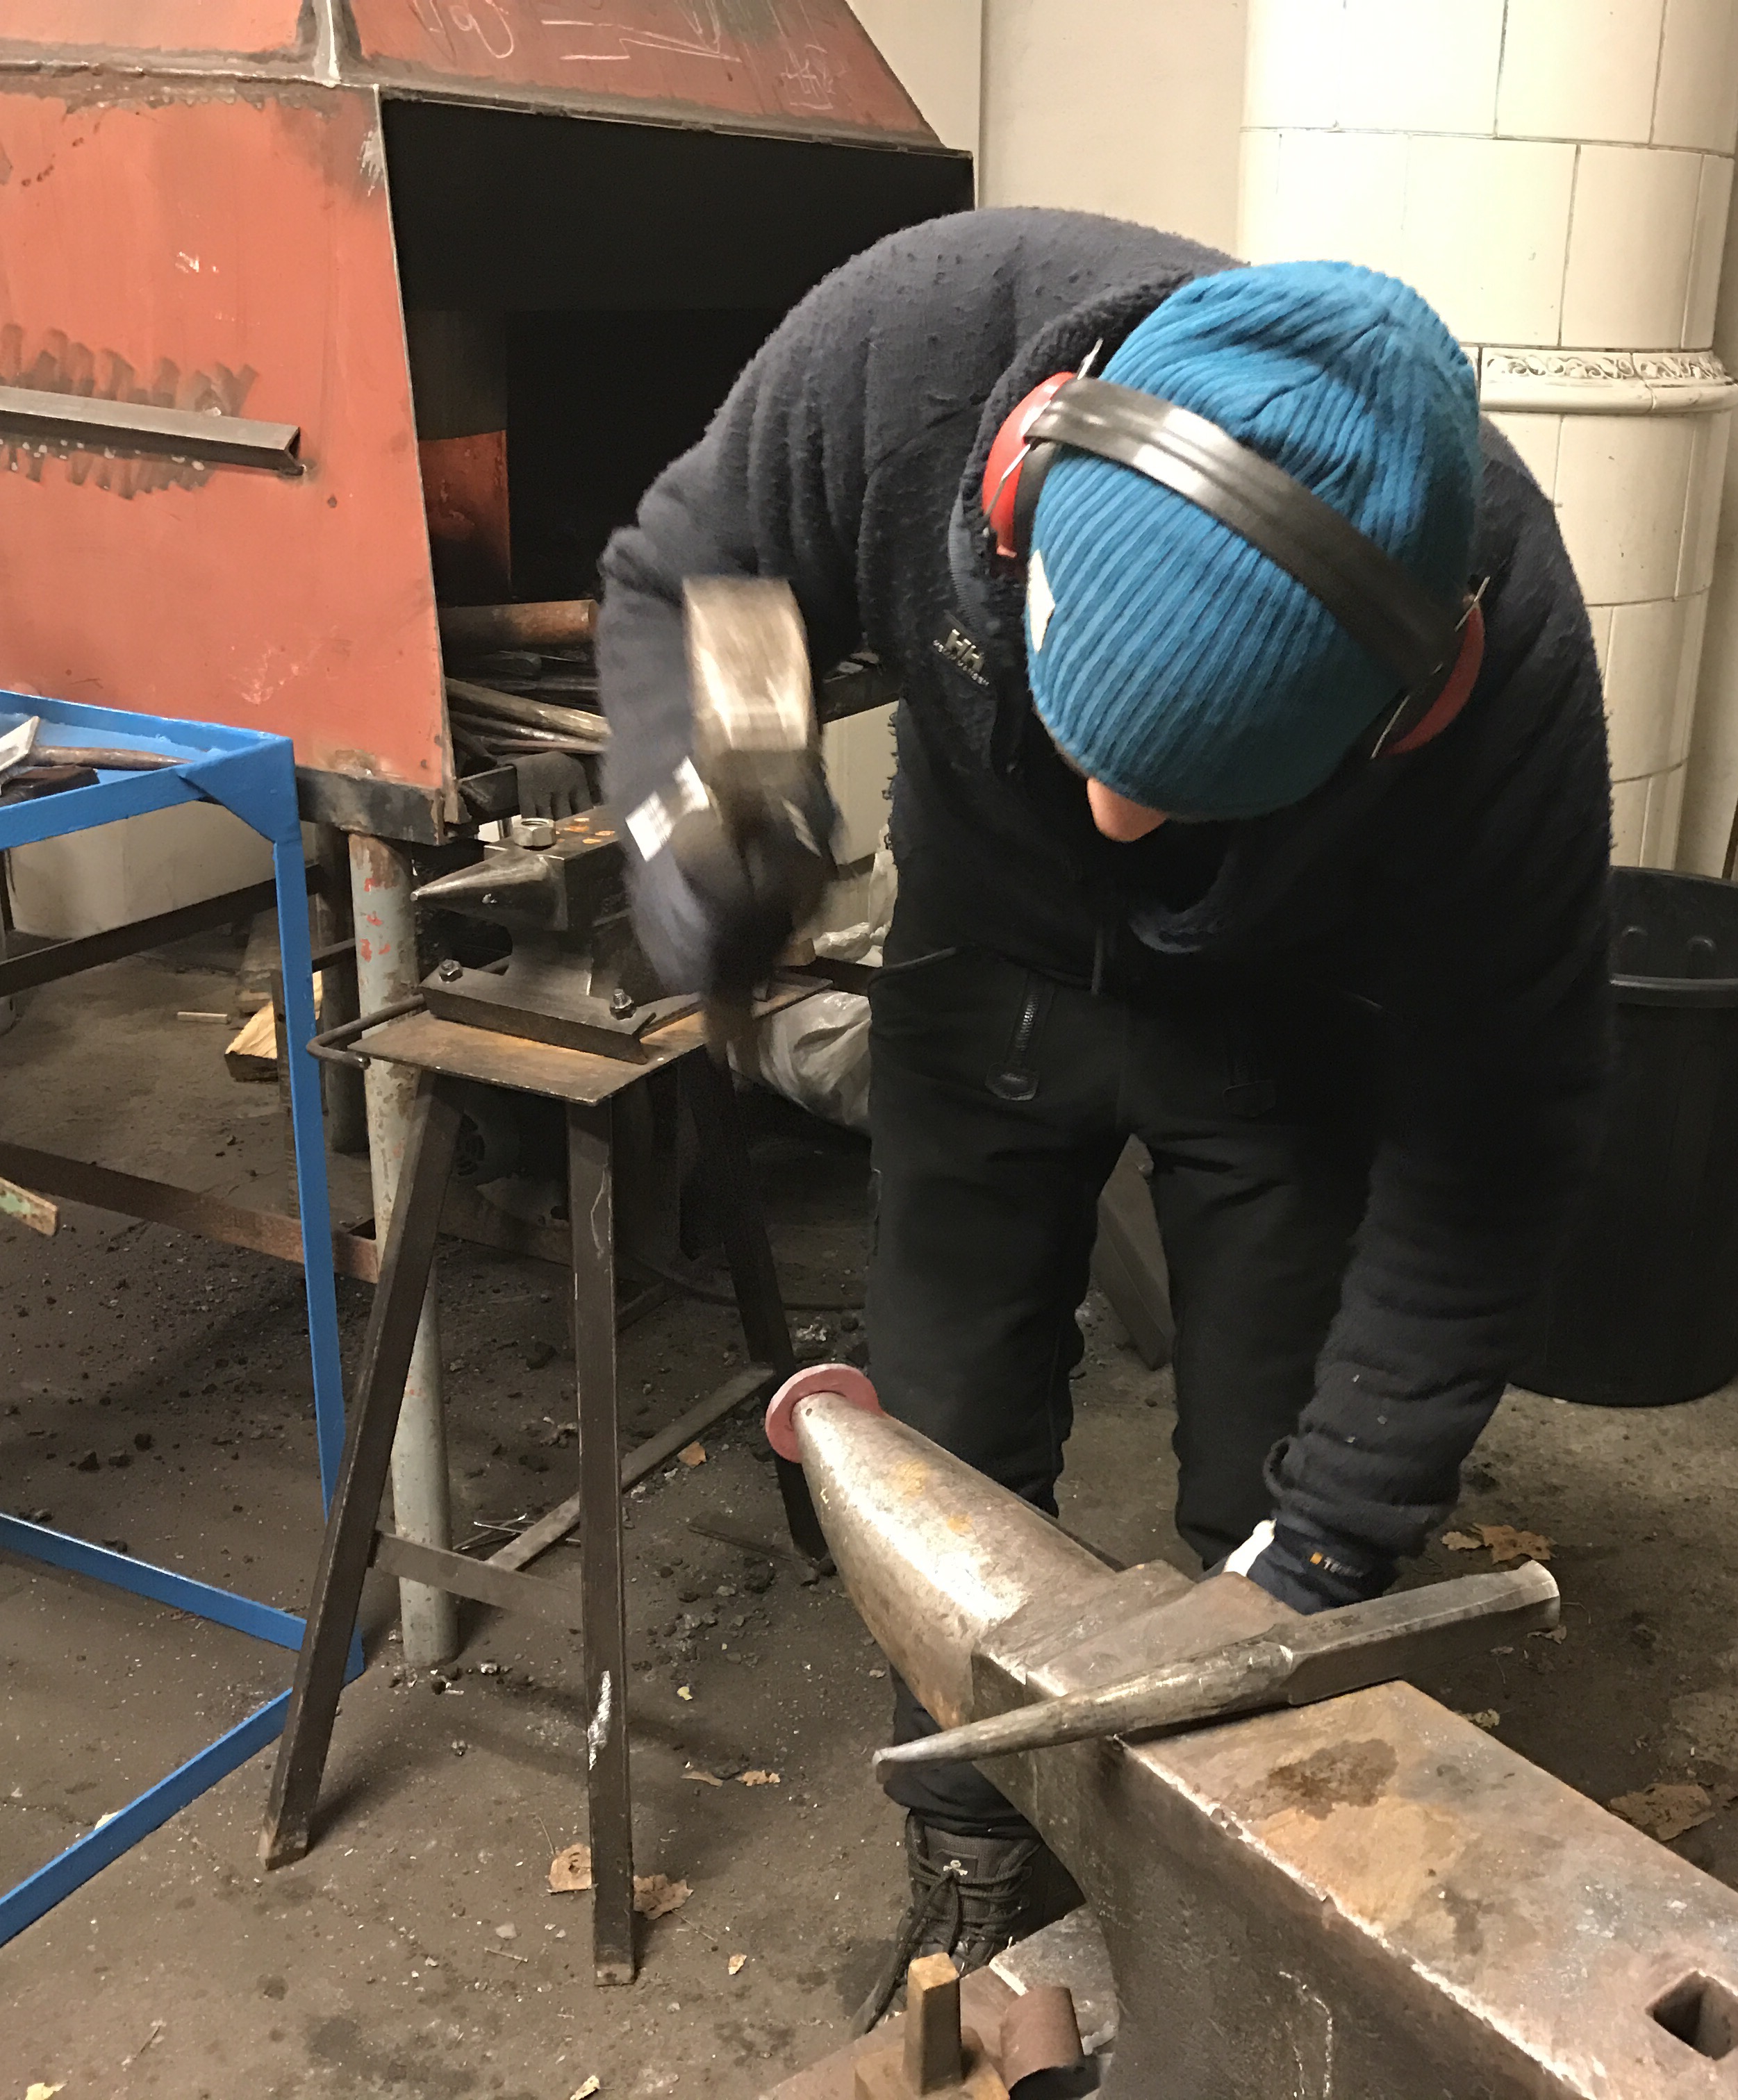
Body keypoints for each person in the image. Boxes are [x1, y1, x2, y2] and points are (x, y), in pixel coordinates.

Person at [599, 206, 1612, 2008]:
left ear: (1411, 705)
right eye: (1093, 743)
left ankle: (1235, 1920)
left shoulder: (1506, 656)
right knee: (954, 1434)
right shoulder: (910, 353)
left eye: (1188, 787)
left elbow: (1494, 1145)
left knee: (1274, 1487)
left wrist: (1326, 1551)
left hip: (1289, 1016)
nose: (1116, 823)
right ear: (1016, 497)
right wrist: (719, 807)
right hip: (982, 968)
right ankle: (975, 1869)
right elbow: (709, 567)